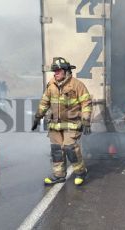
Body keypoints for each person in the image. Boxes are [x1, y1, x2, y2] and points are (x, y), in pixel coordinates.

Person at [32, 57, 92, 186]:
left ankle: (81, 172)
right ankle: (59, 176)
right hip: (55, 125)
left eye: (58, 71)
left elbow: (86, 102)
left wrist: (86, 120)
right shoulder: (51, 84)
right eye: (54, 71)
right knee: (57, 150)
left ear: (66, 71)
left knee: (71, 149)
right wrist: (38, 116)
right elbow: (44, 102)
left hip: (72, 124)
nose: (55, 73)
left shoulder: (77, 85)